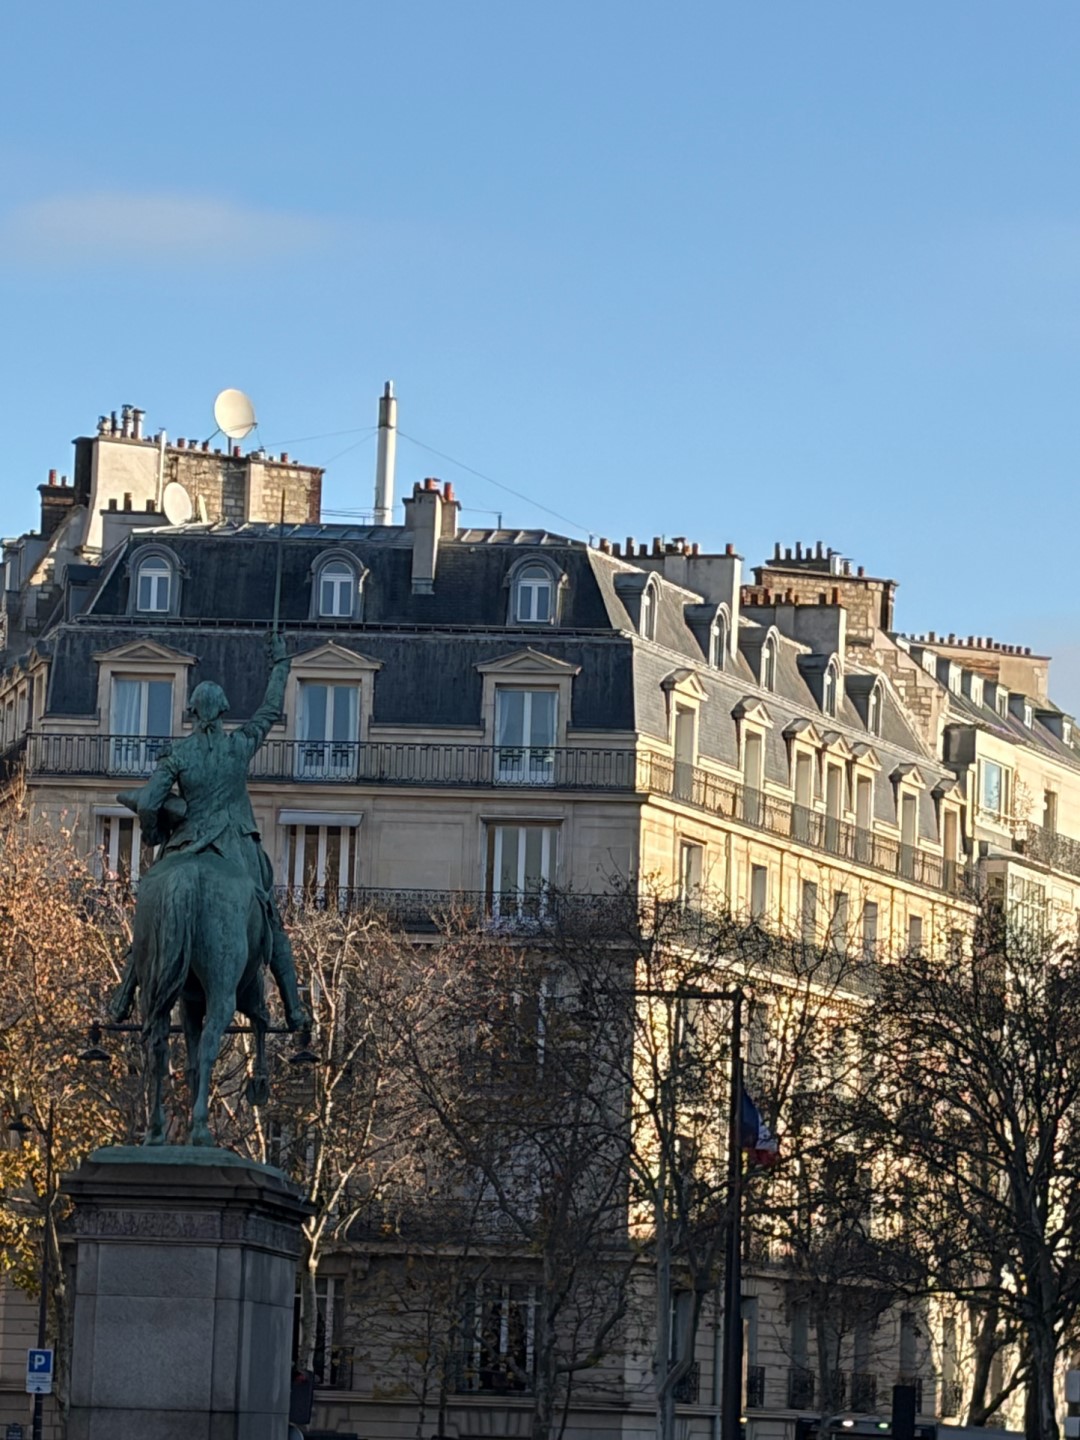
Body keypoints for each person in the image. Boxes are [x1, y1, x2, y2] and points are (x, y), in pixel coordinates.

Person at [110, 632, 309, 1031]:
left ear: (193, 711)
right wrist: (280, 663)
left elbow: (149, 802)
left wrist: (151, 833)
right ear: (221, 712)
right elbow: (270, 710)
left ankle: (123, 996)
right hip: (235, 844)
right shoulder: (239, 746)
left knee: (153, 912)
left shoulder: (178, 754)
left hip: (186, 842)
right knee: (270, 921)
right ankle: (294, 1008)